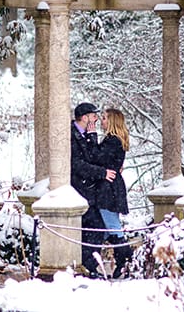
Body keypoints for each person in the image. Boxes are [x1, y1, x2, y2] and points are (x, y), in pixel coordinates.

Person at [70, 102, 116, 278]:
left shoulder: (85, 134)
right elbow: (78, 164)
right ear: (85, 117)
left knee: (96, 227)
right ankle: (85, 266)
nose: (96, 118)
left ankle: (87, 266)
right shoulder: (71, 135)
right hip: (78, 189)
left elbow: (93, 156)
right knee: (95, 226)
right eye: (93, 115)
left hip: (89, 189)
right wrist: (102, 172)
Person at [95, 108, 133, 278]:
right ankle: (119, 261)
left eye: (103, 118)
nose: (100, 121)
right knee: (106, 227)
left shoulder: (113, 141)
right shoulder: (115, 140)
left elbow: (98, 158)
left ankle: (125, 259)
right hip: (111, 187)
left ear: (111, 122)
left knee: (113, 227)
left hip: (109, 189)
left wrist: (90, 137)